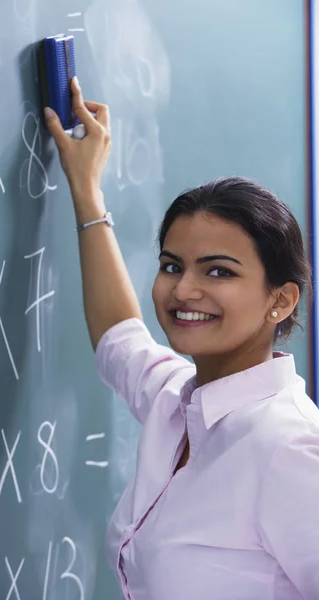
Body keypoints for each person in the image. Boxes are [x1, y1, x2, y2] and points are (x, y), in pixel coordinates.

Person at [44, 78, 319, 600]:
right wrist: (86, 189)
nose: (184, 289)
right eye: (172, 265)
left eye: (218, 272)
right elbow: (119, 338)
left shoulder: (292, 450)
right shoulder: (177, 403)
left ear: (280, 300)